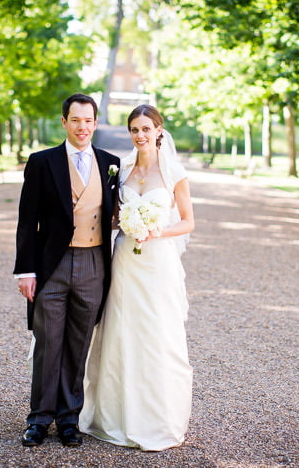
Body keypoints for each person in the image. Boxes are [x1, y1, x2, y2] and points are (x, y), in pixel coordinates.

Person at [79, 104, 195, 451]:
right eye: (134, 130)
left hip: (158, 263)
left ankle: (156, 419)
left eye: (146, 128)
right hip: (125, 260)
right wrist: (127, 224)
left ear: (159, 130)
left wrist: (155, 231)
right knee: (120, 332)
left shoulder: (175, 172)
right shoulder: (122, 168)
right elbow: (112, 215)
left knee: (157, 334)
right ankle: (115, 416)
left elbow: (188, 222)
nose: (140, 135)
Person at [13, 93, 120, 447]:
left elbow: (114, 215)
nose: (82, 127)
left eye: (88, 120)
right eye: (76, 120)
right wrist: (24, 271)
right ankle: (39, 420)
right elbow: (27, 221)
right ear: (64, 122)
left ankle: (69, 419)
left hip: (94, 264)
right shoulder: (42, 162)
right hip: (51, 265)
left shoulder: (110, 162)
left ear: (95, 122)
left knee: (78, 345)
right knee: (48, 344)